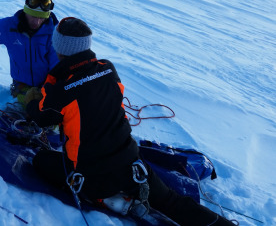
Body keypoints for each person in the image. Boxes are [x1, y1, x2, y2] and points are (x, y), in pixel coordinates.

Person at [25, 17, 234, 226]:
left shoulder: (60, 91)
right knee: (172, 202)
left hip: (91, 175)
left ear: (59, 46)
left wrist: (33, 100)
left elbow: (40, 117)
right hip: (132, 166)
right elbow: (91, 94)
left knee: (41, 160)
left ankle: (105, 199)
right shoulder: (108, 68)